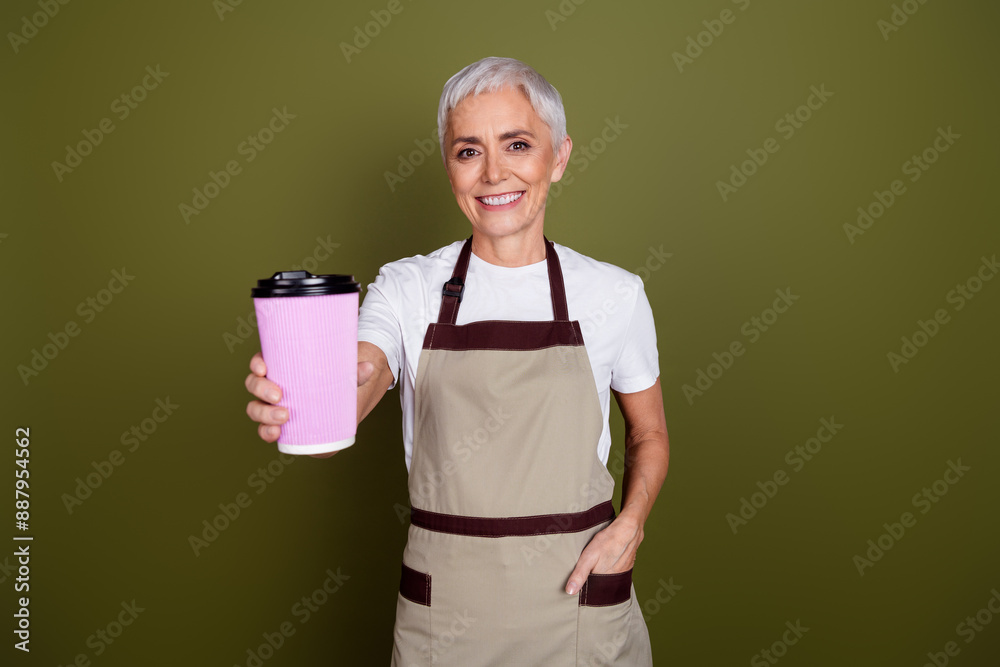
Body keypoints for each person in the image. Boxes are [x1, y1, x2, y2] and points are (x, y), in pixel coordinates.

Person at [245, 56, 669, 665]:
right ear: (449, 167)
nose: (494, 172)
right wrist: (317, 398)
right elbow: (364, 373)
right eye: (468, 151)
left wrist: (631, 523)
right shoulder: (407, 287)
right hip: (445, 613)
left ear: (560, 155)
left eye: (518, 144)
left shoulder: (614, 294)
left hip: (578, 601)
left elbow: (650, 431)